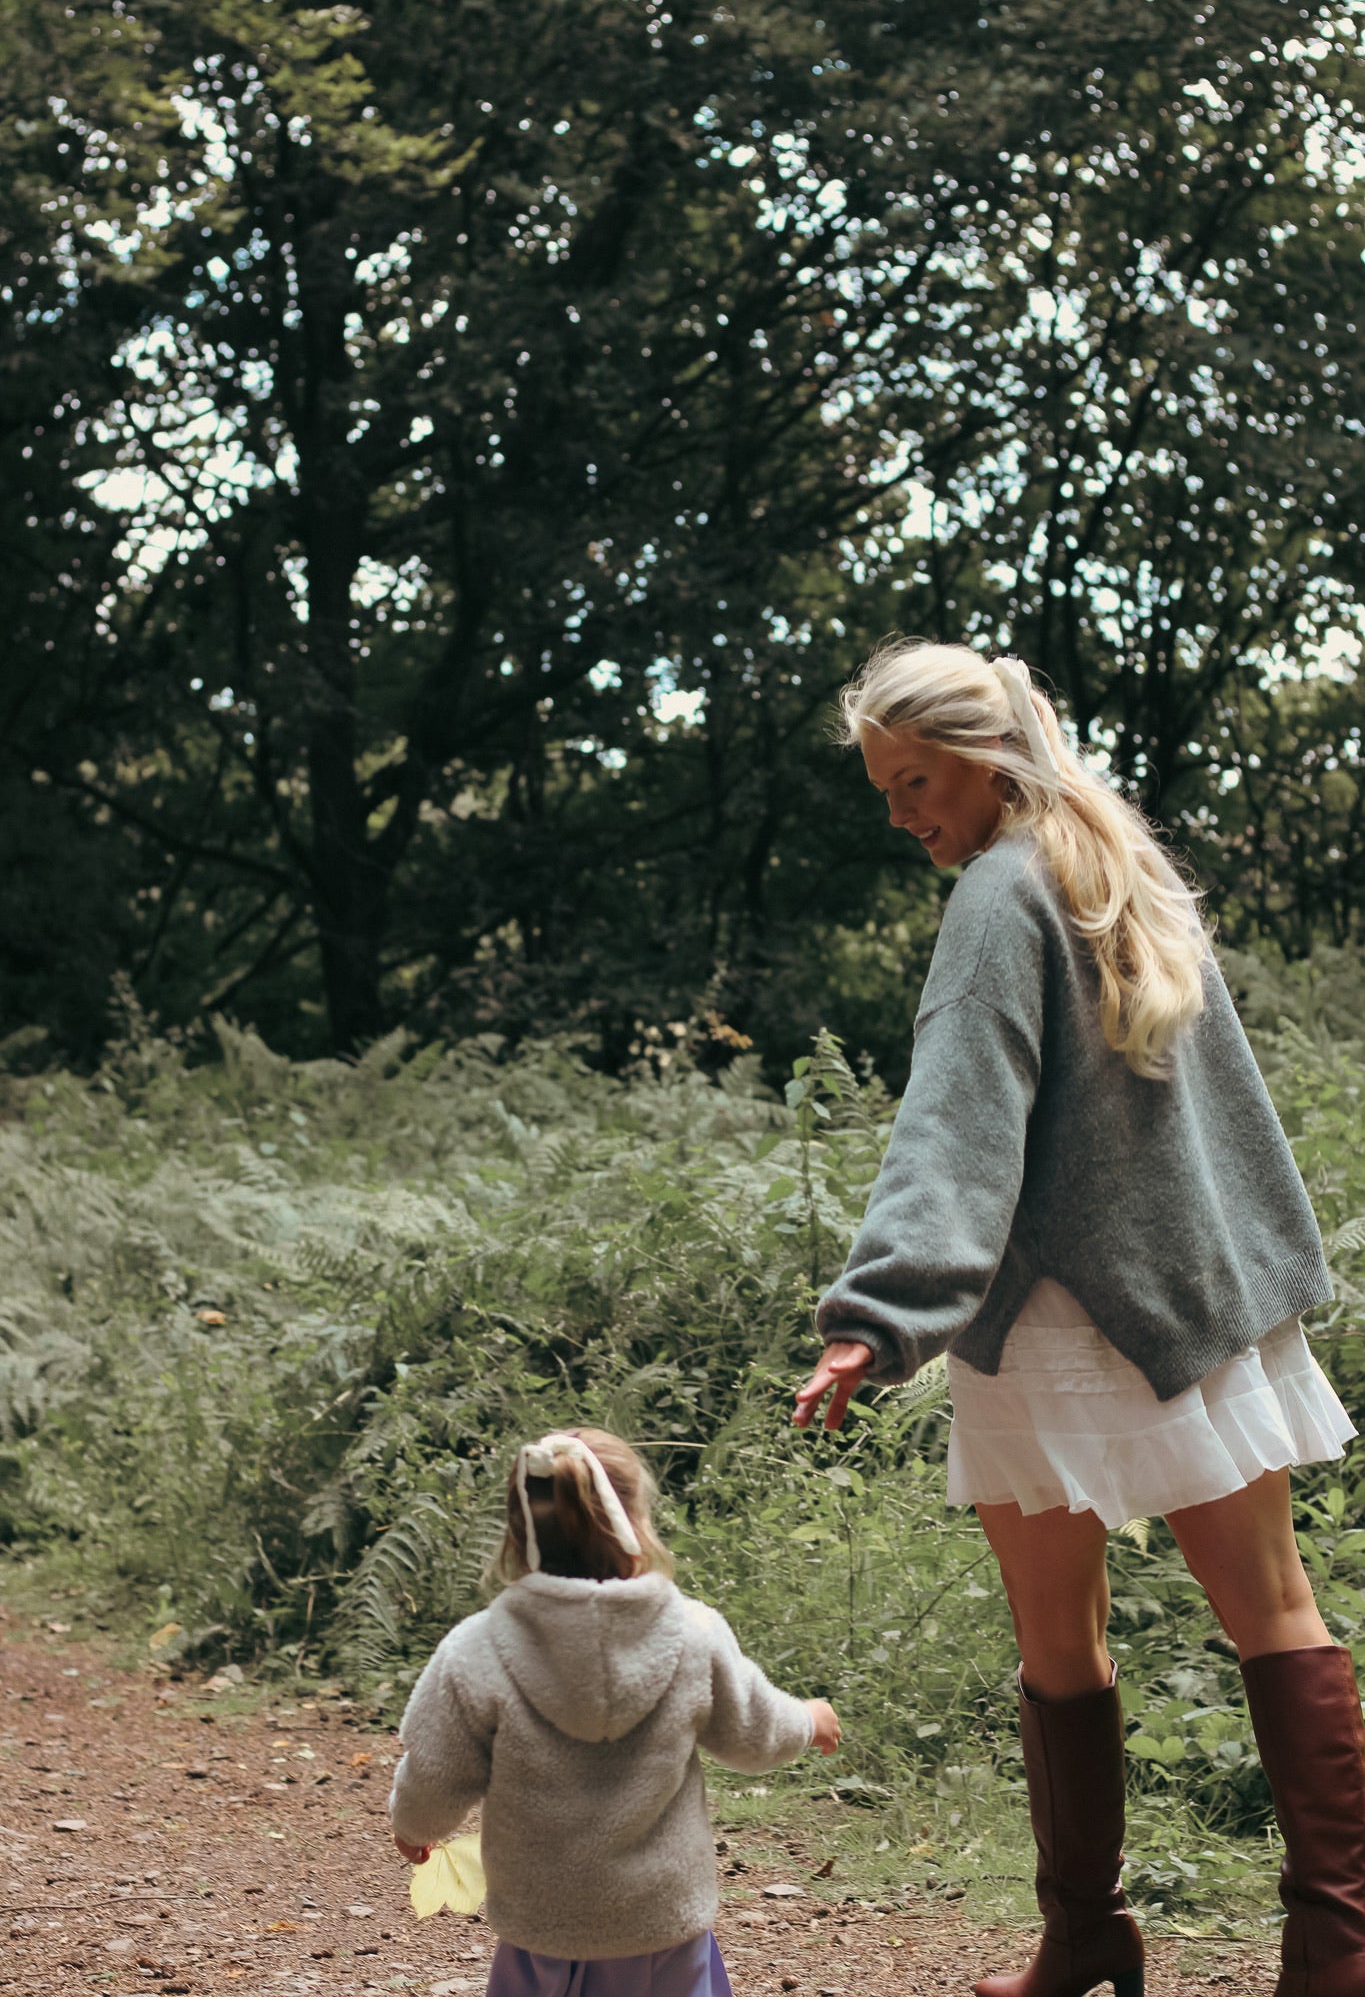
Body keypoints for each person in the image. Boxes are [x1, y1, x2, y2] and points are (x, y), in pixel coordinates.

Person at [792, 641, 1363, 1997]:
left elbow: (957, 1114)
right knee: (1274, 1611)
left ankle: (1090, 1932)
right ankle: (1336, 1945)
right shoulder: (1119, 864)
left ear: (982, 760)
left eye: (913, 779)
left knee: (1061, 1641)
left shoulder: (1000, 891)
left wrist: (877, 1315)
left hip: (1059, 1318)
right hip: (1194, 1305)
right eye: (883, 789)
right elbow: (1223, 1121)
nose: (901, 814)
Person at [389, 1426, 841, 1997]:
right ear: (635, 1523)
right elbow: (752, 1733)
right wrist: (808, 1719)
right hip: (661, 1922)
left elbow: (436, 1769)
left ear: (517, 1530)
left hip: (541, 1927)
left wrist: (413, 1826)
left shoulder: (475, 1650)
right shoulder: (692, 1635)